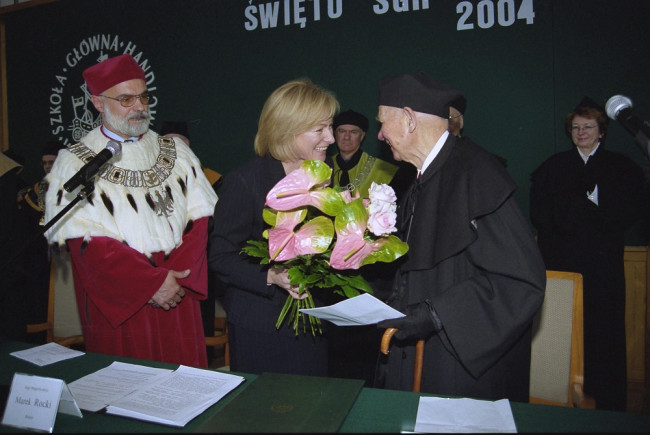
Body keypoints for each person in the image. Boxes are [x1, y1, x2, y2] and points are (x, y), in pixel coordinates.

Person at [375, 72, 546, 402]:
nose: (380, 134)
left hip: (457, 366)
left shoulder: (476, 174)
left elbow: (521, 282)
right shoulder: (422, 178)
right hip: (422, 358)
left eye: (383, 122)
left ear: (409, 120)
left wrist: (437, 314)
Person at [44, 54, 218, 367]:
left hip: (178, 292)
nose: (138, 106)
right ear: (97, 102)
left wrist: (173, 279)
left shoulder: (176, 152)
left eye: (143, 97)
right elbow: (86, 243)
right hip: (123, 301)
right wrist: (149, 283)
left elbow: (200, 220)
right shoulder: (74, 162)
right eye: (126, 99)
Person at [208, 78, 338, 376]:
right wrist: (270, 275)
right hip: (261, 325)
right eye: (320, 129)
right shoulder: (245, 181)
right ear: (286, 130)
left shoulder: (323, 175)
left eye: (330, 127)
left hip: (311, 320)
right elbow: (220, 256)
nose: (330, 138)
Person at [530, 97, 645, 411]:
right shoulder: (552, 168)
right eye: (576, 127)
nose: (581, 133)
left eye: (588, 127)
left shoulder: (622, 168)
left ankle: (608, 405)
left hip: (603, 267)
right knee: (560, 332)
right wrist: (581, 207)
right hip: (563, 266)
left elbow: (629, 211)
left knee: (604, 334)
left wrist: (590, 210)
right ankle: (554, 398)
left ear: (602, 131)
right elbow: (540, 213)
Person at [330, 109, 398, 198]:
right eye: (342, 131)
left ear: (362, 136)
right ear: (335, 134)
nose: (347, 137)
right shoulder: (325, 165)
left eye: (353, 132)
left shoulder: (384, 171)